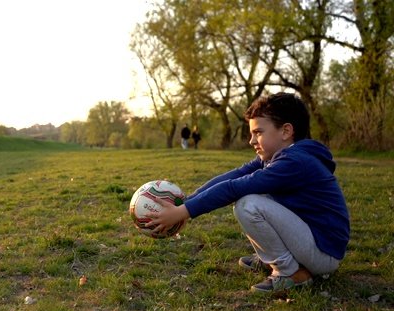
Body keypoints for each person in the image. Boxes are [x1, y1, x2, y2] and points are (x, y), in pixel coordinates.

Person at [146, 92, 350, 293]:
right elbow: (234, 176)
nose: (251, 141)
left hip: (323, 253)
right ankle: (273, 258)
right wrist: (189, 200)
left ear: (286, 131)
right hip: (313, 242)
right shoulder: (277, 156)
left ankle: (289, 272)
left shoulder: (295, 161)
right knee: (257, 195)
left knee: (248, 203)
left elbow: (234, 187)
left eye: (258, 133)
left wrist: (184, 212)